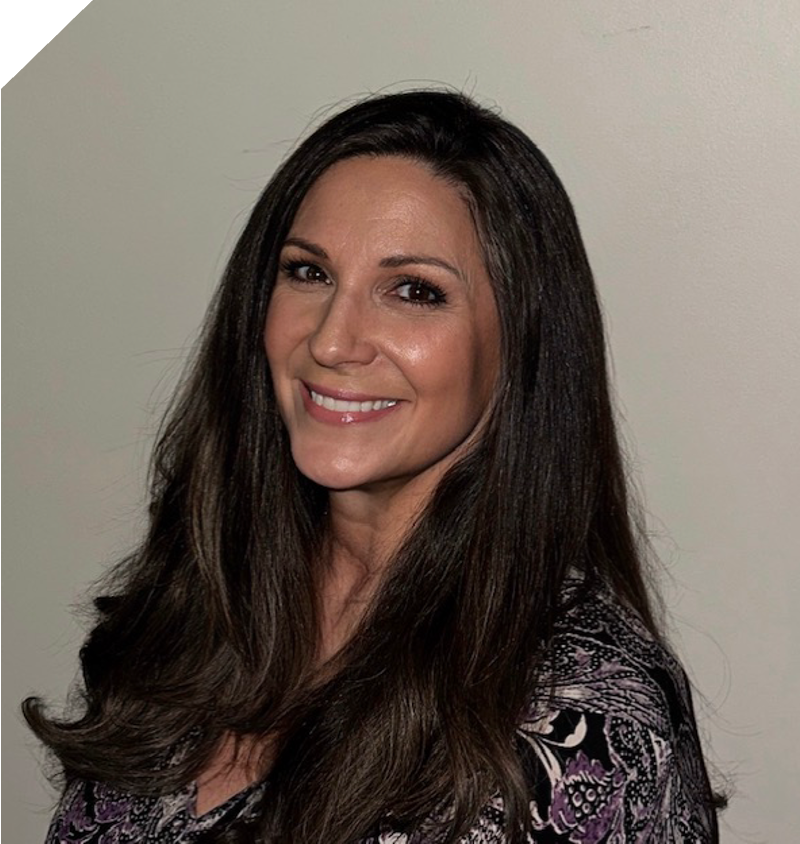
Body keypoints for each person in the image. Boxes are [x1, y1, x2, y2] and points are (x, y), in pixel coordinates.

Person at [26, 90, 721, 843]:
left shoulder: (584, 727)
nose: (332, 340)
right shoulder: (198, 603)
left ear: (522, 342)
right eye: (308, 273)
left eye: (414, 291)